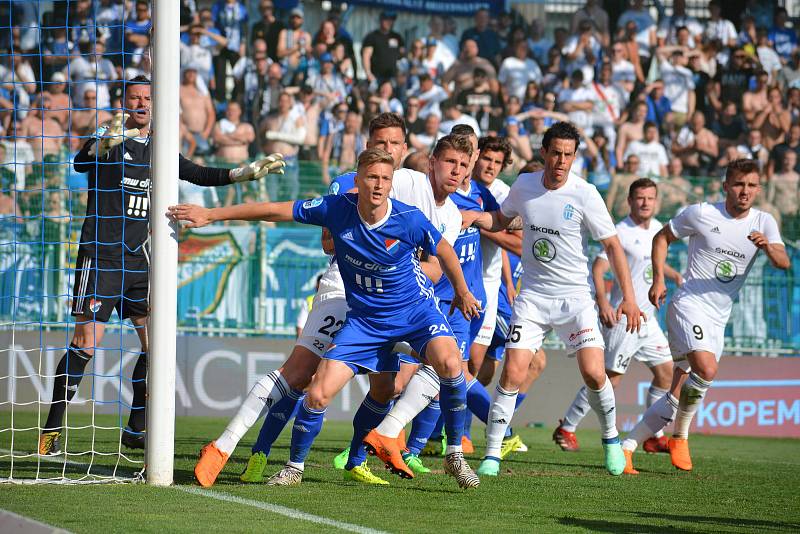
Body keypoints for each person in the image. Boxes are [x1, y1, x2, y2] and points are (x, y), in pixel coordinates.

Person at [176, 146, 482, 489]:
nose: (378, 186)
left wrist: (463, 291)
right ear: (359, 179)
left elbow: (443, 250)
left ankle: (454, 454)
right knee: (317, 394)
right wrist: (212, 215)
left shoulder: (408, 218)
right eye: (372, 178)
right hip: (365, 321)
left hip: (414, 313)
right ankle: (294, 467)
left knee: (451, 364)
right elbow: (275, 210)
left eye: (385, 179)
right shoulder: (337, 209)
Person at [37, 76, 286, 456]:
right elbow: (80, 160)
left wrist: (244, 173)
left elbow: (200, 174)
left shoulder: (161, 149)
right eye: (134, 97)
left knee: (157, 347)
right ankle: (51, 432)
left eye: (146, 98)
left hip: (141, 259)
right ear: (125, 102)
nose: (140, 103)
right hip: (100, 257)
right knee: (86, 344)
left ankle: (136, 429)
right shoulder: (110, 135)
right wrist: (106, 135)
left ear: (155, 104)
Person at [465, 121, 643, 477]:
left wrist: (630, 298)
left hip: (574, 299)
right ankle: (493, 453)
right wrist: (475, 217)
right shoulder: (526, 185)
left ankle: (610, 438)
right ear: (543, 152)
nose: (561, 161)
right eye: (555, 153)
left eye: (568, 155)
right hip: (532, 297)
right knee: (512, 372)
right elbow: (502, 218)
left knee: (594, 373)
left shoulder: (585, 193)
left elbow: (611, 245)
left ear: (574, 157)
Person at [622, 159, 790, 474]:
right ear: (726, 185)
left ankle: (626, 447)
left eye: (752, 185)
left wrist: (767, 246)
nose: (745, 191)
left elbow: (783, 262)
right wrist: (659, 279)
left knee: (679, 392)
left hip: (718, 317)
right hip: (688, 304)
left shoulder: (764, 222)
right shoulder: (701, 213)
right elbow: (662, 238)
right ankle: (681, 437)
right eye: (739, 184)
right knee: (707, 368)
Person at [553, 179, 682, 454]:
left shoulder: (659, 229)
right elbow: (599, 268)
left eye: (650, 198)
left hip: (648, 320)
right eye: (640, 198)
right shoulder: (620, 231)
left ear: (656, 201)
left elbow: (650, 262)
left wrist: (674, 276)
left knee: (666, 373)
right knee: (608, 378)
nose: (645, 203)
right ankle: (567, 427)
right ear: (630, 201)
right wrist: (603, 303)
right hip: (624, 320)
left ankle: (653, 434)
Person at [361, 11, 404, 86]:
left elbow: (402, 56)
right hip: (376, 77)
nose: (389, 22)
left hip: (393, 78)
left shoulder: (397, 37)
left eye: (391, 20)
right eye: (386, 20)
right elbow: (366, 56)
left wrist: (401, 74)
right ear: (381, 20)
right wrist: (368, 73)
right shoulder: (372, 36)